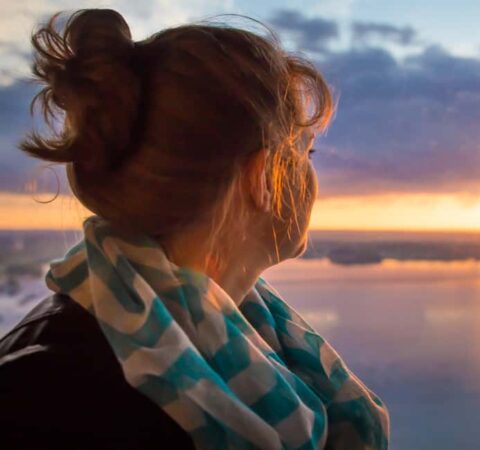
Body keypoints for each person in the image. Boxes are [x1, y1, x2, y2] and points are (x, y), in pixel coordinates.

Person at [0, 8, 389, 450]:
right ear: (263, 179)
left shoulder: (232, 340)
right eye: (308, 155)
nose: (315, 178)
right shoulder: (47, 401)